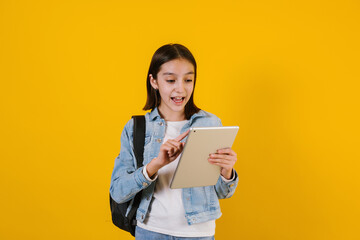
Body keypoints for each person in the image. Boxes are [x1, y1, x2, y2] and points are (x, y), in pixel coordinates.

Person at [110, 43, 239, 240]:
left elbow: (223, 193)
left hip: (199, 234)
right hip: (151, 232)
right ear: (154, 81)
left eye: (188, 79)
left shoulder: (211, 123)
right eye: (170, 80)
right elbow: (118, 192)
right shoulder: (137, 127)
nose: (180, 89)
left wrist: (227, 172)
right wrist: (155, 165)